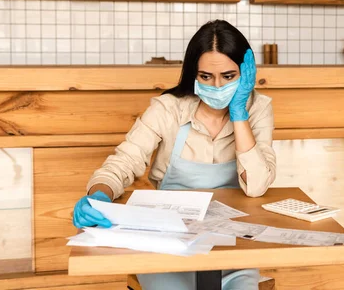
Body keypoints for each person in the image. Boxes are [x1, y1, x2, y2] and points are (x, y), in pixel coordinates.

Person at [72, 20, 276, 290]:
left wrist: (239, 113)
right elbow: (124, 162)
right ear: (193, 73)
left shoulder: (257, 109)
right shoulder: (167, 109)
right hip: (165, 247)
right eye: (206, 76)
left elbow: (257, 186)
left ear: (245, 74)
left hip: (233, 248)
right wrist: (98, 195)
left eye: (228, 76)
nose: (216, 86)